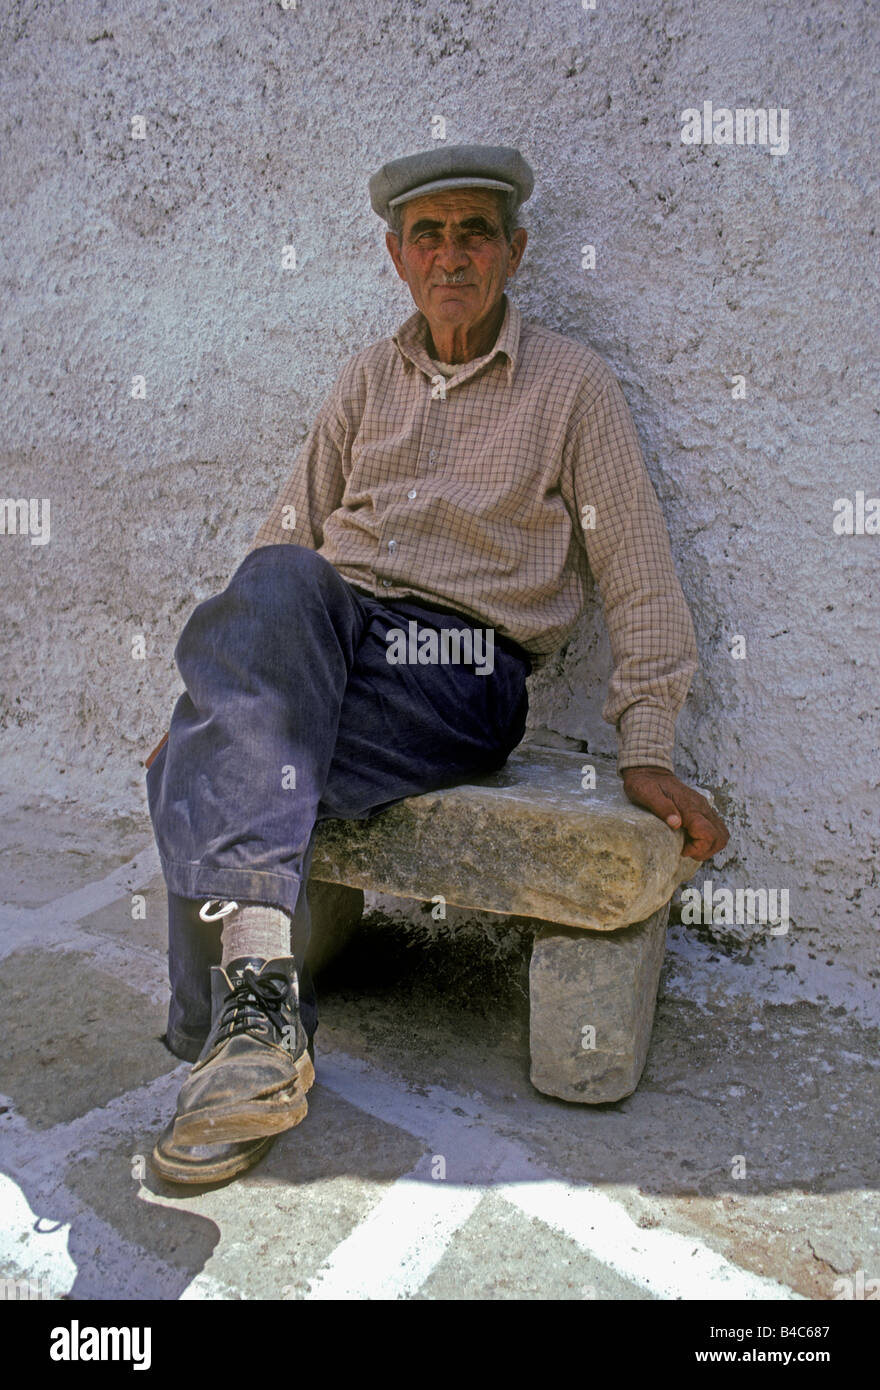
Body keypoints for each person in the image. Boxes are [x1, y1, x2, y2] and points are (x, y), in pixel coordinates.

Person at [145, 144, 729, 1184]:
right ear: (395, 256)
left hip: (458, 663)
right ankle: (256, 1030)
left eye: (473, 231)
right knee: (279, 571)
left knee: (194, 771)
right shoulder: (366, 378)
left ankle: (227, 1031)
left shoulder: (569, 387)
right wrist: (226, 687)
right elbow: (285, 533)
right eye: (429, 234)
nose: (450, 253)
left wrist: (647, 745)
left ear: (514, 249)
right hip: (333, 633)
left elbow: (635, 563)